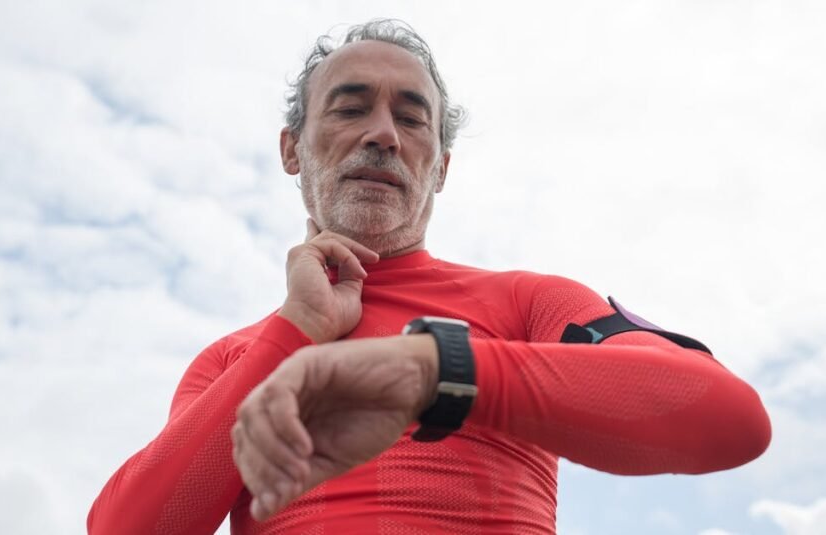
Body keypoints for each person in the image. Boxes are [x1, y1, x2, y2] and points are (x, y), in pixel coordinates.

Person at [87, 19, 771, 535]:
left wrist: (433, 370)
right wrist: (295, 332)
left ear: (440, 166)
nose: (383, 133)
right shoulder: (232, 358)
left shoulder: (528, 304)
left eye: (412, 118)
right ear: (293, 149)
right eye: (351, 107)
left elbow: (728, 418)